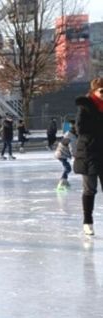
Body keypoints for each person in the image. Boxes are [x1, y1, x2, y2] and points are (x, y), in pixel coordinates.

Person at [74, 78, 103, 236]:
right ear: (94, 91)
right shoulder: (85, 107)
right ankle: (87, 221)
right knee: (90, 189)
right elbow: (80, 129)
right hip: (89, 152)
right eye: (102, 91)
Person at [54, 123, 77, 190]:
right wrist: (75, 156)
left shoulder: (68, 135)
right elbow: (72, 148)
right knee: (68, 168)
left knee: (67, 168)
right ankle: (62, 181)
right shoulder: (71, 137)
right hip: (61, 154)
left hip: (61, 153)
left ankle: (64, 181)